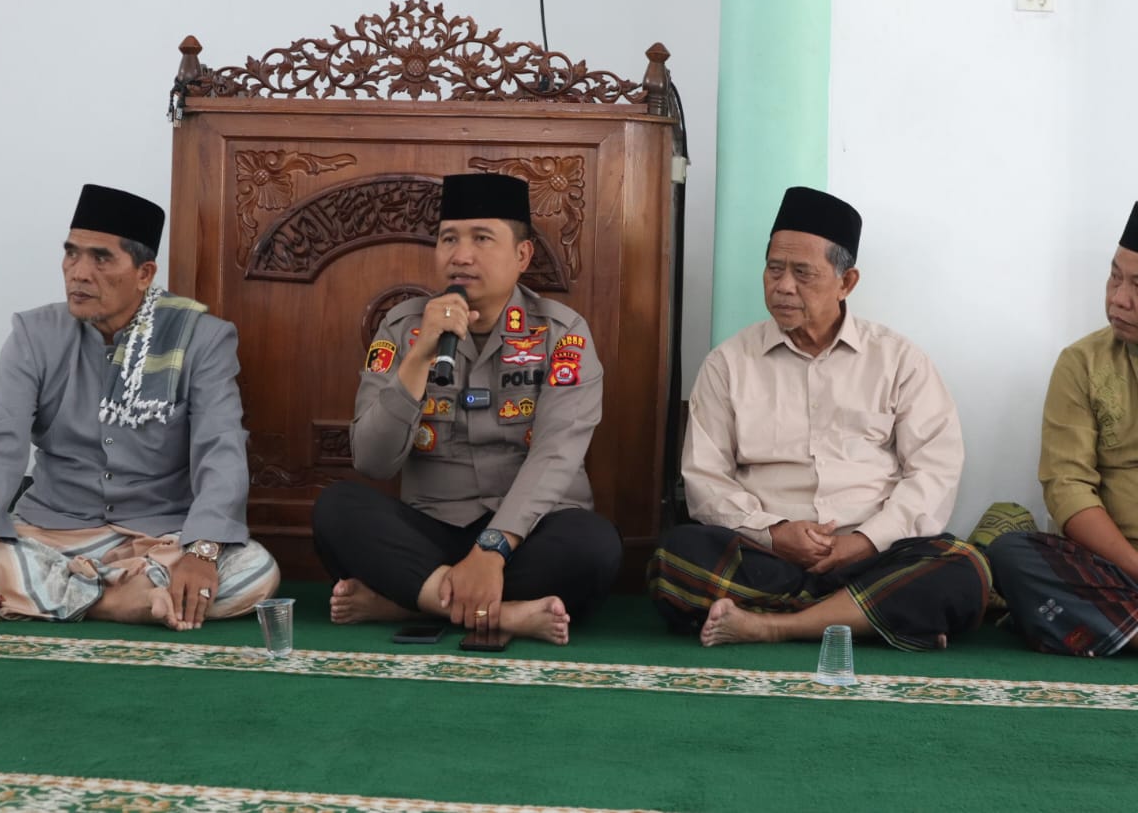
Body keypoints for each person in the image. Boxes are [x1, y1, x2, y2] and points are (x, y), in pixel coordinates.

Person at [0, 184, 280, 630]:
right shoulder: (34, 334)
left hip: (159, 539)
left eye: (101, 258)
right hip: (50, 534)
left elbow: (221, 448)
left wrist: (201, 554)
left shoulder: (201, 339)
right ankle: (117, 601)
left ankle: (58, 594)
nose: (78, 273)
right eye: (71, 254)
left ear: (144, 273)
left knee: (255, 572)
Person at [648, 186, 989, 651]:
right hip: (766, 556)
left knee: (963, 566)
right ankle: (866, 616)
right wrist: (774, 533)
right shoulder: (728, 363)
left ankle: (774, 625)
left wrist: (865, 541)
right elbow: (706, 479)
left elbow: (935, 472)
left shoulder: (898, 360)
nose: (783, 286)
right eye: (774, 269)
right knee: (675, 559)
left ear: (847, 282)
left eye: (802, 273)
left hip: (873, 556)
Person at [311, 173, 621, 645]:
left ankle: (406, 602)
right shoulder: (402, 327)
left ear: (522, 255)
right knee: (337, 511)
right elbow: (372, 461)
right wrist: (419, 357)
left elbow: (555, 456)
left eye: (481, 239)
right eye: (449, 239)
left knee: (594, 547)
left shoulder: (562, 333)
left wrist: (492, 549)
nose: (461, 255)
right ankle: (505, 614)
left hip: (526, 535)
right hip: (433, 527)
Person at [986, 202, 1138, 656]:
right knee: (1010, 552)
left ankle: (1106, 629)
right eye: (1114, 277)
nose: (1119, 298)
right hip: (1114, 566)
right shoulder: (1083, 363)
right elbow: (1066, 487)